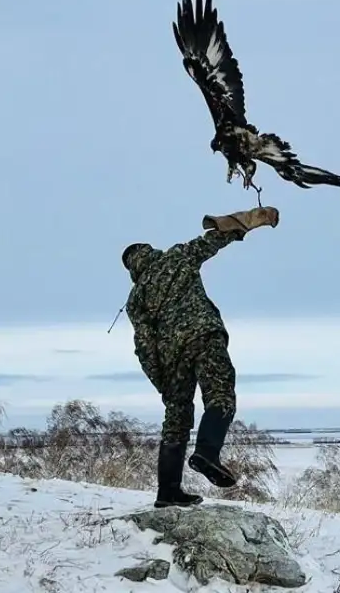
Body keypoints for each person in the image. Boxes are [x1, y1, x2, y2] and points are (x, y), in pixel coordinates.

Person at [121, 205, 280, 508]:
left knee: (176, 419)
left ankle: (168, 493)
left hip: (170, 359)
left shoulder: (136, 298)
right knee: (220, 394)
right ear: (149, 251)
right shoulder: (176, 257)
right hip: (203, 336)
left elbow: (143, 345)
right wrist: (250, 221)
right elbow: (213, 239)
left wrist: (162, 383)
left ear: (131, 268)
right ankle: (207, 452)